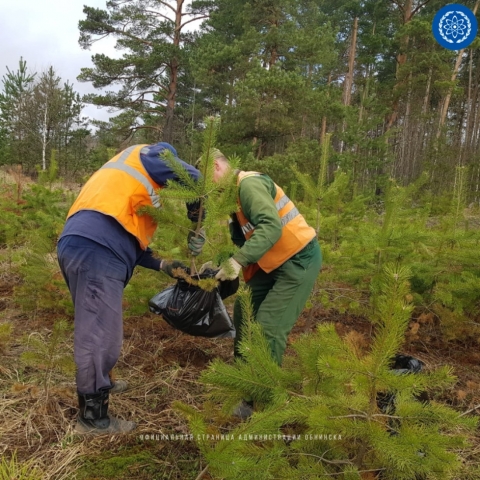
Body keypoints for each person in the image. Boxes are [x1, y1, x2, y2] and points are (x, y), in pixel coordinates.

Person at [57, 142, 205, 435]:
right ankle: (93, 418)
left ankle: (103, 382)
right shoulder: (150, 154)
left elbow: (134, 247)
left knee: (95, 325)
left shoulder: (122, 182)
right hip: (97, 250)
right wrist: (195, 220)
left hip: (83, 244)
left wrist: (172, 267)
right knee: (99, 334)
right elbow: (194, 179)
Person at [212, 152, 322, 418]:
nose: (207, 190)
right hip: (268, 264)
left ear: (215, 167)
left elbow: (270, 227)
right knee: (243, 312)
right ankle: (244, 385)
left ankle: (266, 402)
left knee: (268, 327)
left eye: (206, 181)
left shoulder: (247, 184)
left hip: (298, 260)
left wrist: (238, 262)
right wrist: (218, 263)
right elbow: (242, 240)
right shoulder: (232, 198)